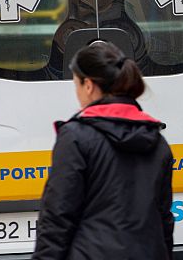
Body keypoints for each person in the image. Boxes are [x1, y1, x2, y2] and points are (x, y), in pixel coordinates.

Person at [33, 42, 174, 260]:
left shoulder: (75, 137)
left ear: (88, 85)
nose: (77, 93)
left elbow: (57, 217)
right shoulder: (156, 140)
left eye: (76, 85)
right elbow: (164, 219)